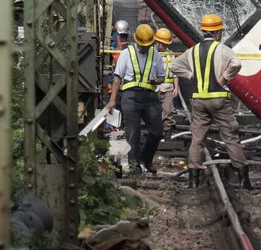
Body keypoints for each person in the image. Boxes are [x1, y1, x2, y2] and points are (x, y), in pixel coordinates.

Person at [170, 14, 251, 189]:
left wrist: (191, 75)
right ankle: (243, 179)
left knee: (197, 139)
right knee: (230, 137)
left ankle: (193, 180)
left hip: (199, 99)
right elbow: (236, 64)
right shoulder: (223, 50)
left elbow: (174, 66)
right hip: (219, 99)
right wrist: (224, 79)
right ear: (217, 32)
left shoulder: (192, 50)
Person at [106, 24, 166, 175]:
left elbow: (161, 76)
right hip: (130, 96)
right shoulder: (127, 53)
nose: (145, 47)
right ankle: (134, 167)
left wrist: (156, 81)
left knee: (157, 132)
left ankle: (146, 158)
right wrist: (112, 100)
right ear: (136, 41)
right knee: (133, 132)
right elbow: (118, 77)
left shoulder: (155, 55)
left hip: (149, 96)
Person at [154, 28, 179, 140]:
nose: (161, 45)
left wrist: (176, 87)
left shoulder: (171, 55)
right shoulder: (151, 54)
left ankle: (167, 132)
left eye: (163, 43)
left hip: (167, 88)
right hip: (153, 88)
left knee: (167, 111)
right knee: (153, 112)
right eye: (160, 43)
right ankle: (154, 133)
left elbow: (175, 73)